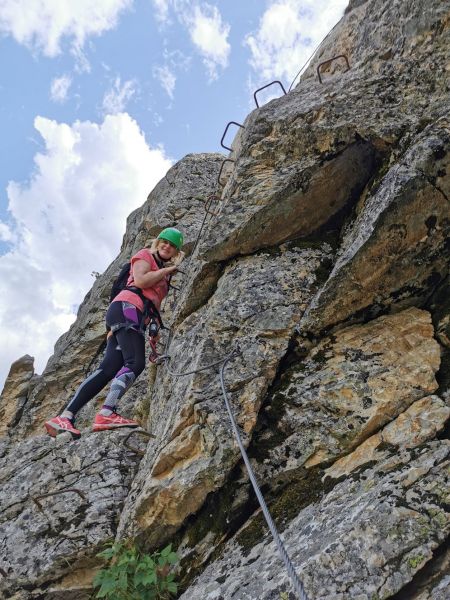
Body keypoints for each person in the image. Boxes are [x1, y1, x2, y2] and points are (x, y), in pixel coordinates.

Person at [45, 227, 184, 439]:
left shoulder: (163, 276)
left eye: (173, 245)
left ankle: (65, 416)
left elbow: (153, 303)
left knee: (108, 368)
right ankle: (107, 412)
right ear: (157, 243)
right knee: (135, 362)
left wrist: (153, 326)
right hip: (127, 308)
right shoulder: (144, 255)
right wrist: (166, 271)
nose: (167, 246)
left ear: (175, 252)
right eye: (164, 241)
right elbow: (140, 282)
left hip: (132, 315)